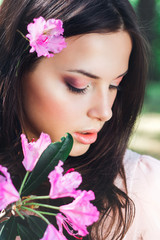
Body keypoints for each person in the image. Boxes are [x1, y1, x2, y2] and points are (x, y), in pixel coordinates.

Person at [0, 0, 160, 239]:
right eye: (79, 86)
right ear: (17, 69)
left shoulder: (143, 189)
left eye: (115, 85)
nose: (105, 112)